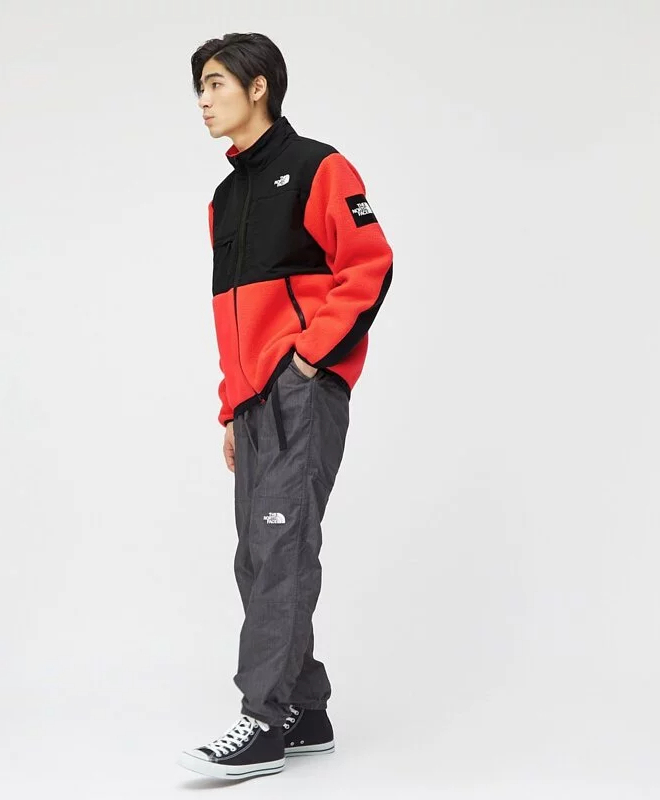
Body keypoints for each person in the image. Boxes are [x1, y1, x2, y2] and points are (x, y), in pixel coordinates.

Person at [178, 32, 394, 781]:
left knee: (280, 551)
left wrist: (309, 357)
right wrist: (231, 405)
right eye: (199, 87)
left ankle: (263, 722)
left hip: (302, 393)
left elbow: (369, 264)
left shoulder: (317, 168)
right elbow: (232, 316)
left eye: (215, 83)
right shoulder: (227, 198)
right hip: (252, 405)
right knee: (258, 557)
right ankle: (307, 709)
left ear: (259, 86)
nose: (203, 100)